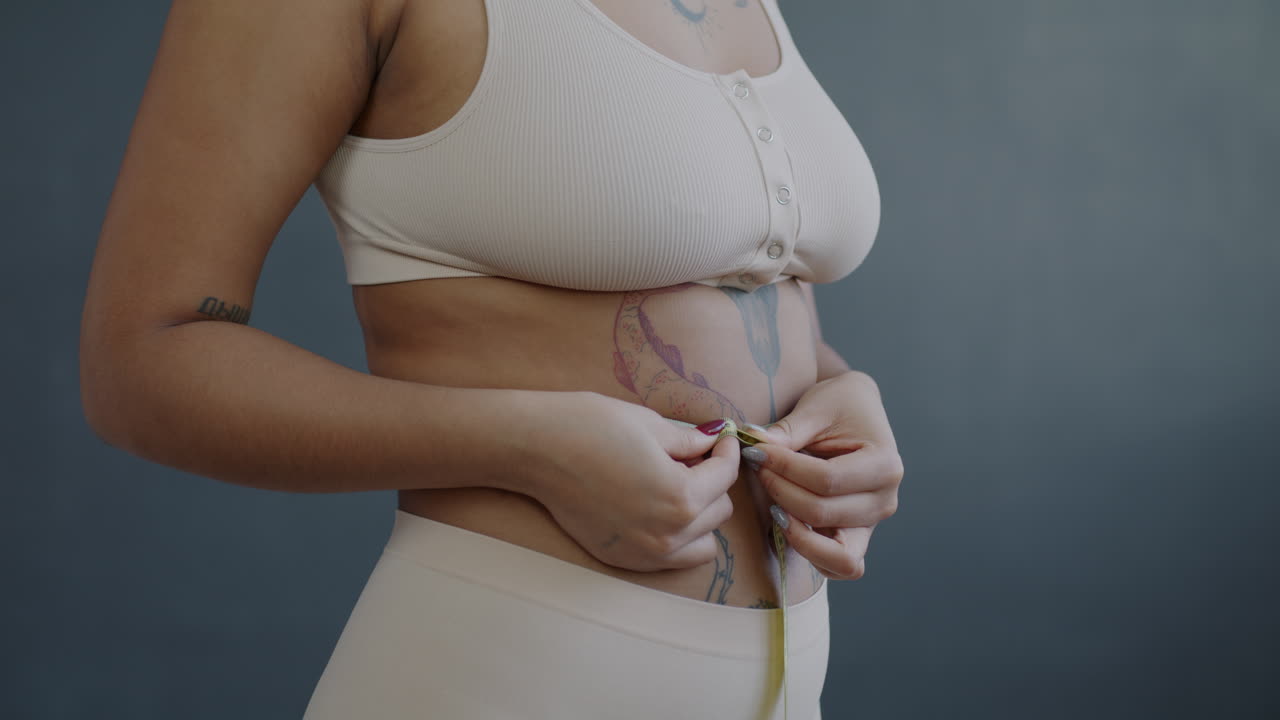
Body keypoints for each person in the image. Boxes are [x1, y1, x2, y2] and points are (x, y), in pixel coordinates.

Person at [79, 0, 903, 717]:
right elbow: (140, 360)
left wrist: (839, 387)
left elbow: (736, 290)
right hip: (509, 673)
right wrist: (528, 446)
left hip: (785, 683)